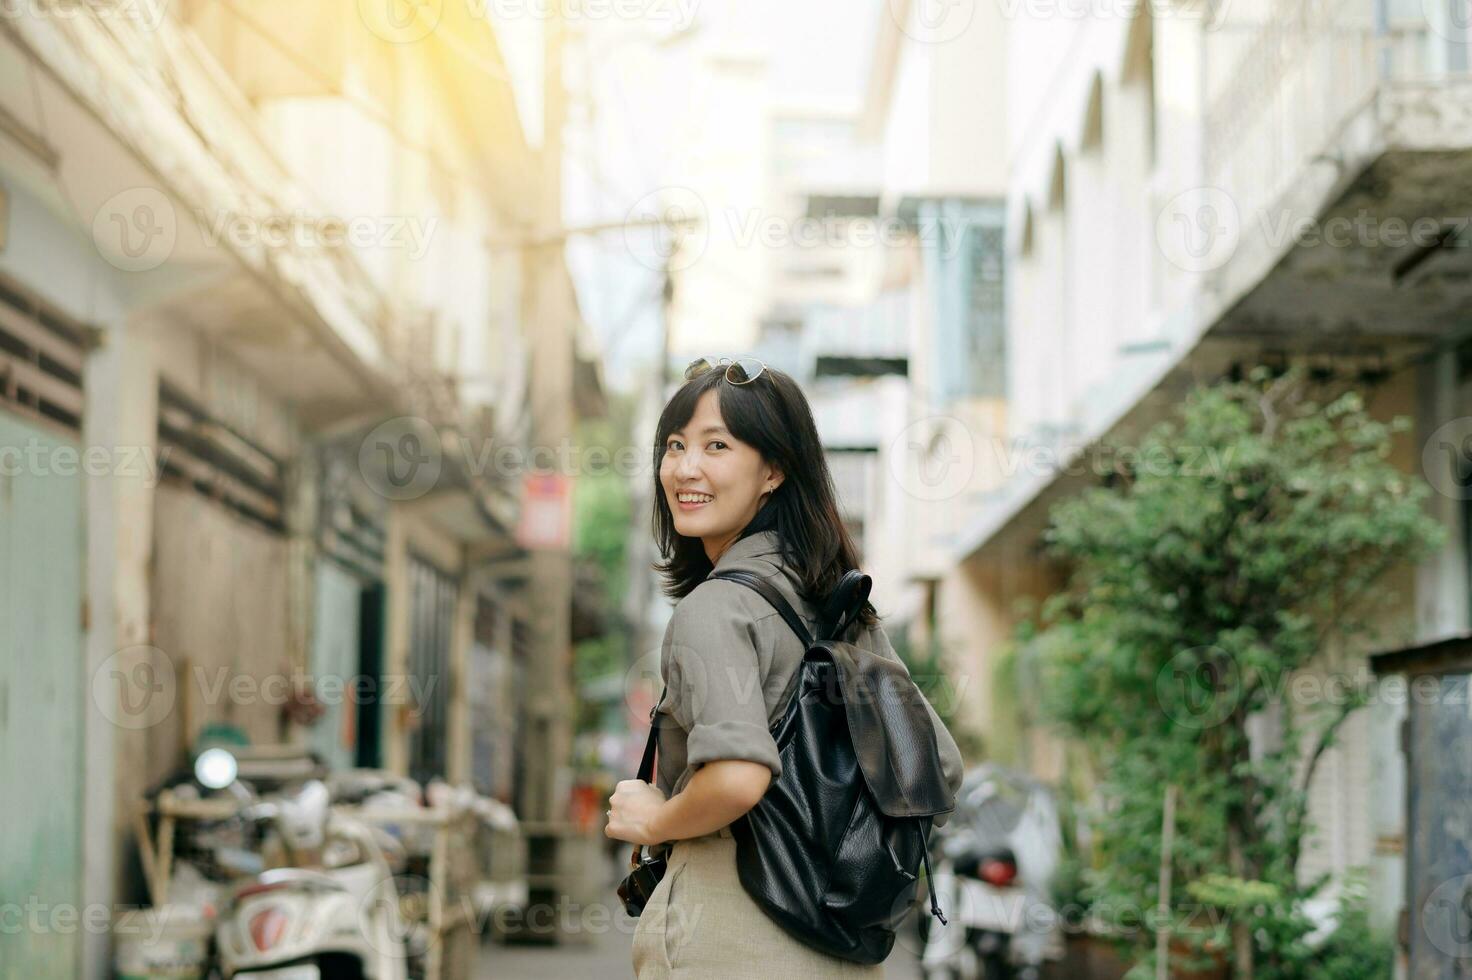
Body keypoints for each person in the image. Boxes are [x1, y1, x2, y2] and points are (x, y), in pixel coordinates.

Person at [604, 356, 965, 978]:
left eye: (717, 445)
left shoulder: (716, 607)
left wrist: (655, 819)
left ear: (774, 469)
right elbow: (941, 766)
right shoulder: (837, 603)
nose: (685, 468)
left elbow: (738, 778)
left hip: (730, 931)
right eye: (674, 445)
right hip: (841, 943)